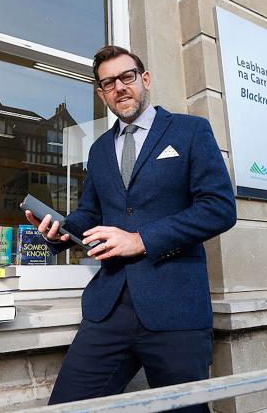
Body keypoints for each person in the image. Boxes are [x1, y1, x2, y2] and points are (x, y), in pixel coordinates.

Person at [24, 45, 237, 411]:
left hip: (175, 309)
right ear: (101, 94)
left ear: (145, 79)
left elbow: (219, 209)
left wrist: (141, 240)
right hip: (109, 308)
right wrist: (59, 232)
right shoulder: (99, 150)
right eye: (109, 83)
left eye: (127, 77)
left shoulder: (190, 131)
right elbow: (90, 213)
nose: (120, 87)